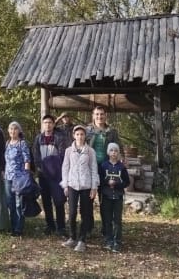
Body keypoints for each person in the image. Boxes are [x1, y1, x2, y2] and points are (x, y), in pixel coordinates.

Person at [60, 125, 99, 252]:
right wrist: (65, 184)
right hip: (72, 185)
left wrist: (94, 187)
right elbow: (65, 168)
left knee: (85, 213)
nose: (80, 136)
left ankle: (82, 240)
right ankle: (72, 237)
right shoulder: (68, 151)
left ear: (85, 136)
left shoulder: (90, 151)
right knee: (71, 213)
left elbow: (94, 169)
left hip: (86, 185)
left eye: (82, 134)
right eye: (77, 134)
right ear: (73, 135)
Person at [85, 106, 123, 234]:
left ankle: (105, 228)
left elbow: (119, 148)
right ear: (93, 115)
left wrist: (121, 161)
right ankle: (88, 227)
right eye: (97, 114)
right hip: (90, 168)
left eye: (101, 114)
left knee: (105, 200)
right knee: (88, 199)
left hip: (106, 169)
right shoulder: (87, 130)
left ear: (105, 116)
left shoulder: (112, 131)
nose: (99, 117)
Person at [33, 114, 67, 236]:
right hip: (43, 175)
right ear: (43, 124)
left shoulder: (59, 138)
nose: (47, 125)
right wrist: (42, 168)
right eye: (45, 122)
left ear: (53, 124)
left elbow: (63, 155)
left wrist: (54, 167)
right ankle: (50, 225)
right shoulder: (38, 138)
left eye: (50, 122)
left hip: (56, 175)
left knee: (59, 200)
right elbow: (36, 156)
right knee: (46, 201)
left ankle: (61, 227)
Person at [99, 143, 130, 253]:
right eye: (111, 150)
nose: (113, 153)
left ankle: (117, 241)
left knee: (117, 220)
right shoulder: (103, 166)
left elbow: (127, 182)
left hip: (118, 197)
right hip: (106, 196)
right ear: (108, 152)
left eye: (115, 151)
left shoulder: (121, 167)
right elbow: (100, 181)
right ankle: (108, 240)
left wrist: (116, 184)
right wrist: (108, 182)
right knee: (107, 219)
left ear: (118, 153)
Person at [4, 121, 32, 236]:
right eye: (11, 129)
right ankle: (12, 225)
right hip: (7, 177)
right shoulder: (7, 143)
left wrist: (26, 175)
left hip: (19, 178)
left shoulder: (22, 143)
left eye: (15, 129)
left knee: (18, 204)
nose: (12, 131)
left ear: (19, 131)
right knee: (10, 203)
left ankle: (18, 229)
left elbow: (27, 160)